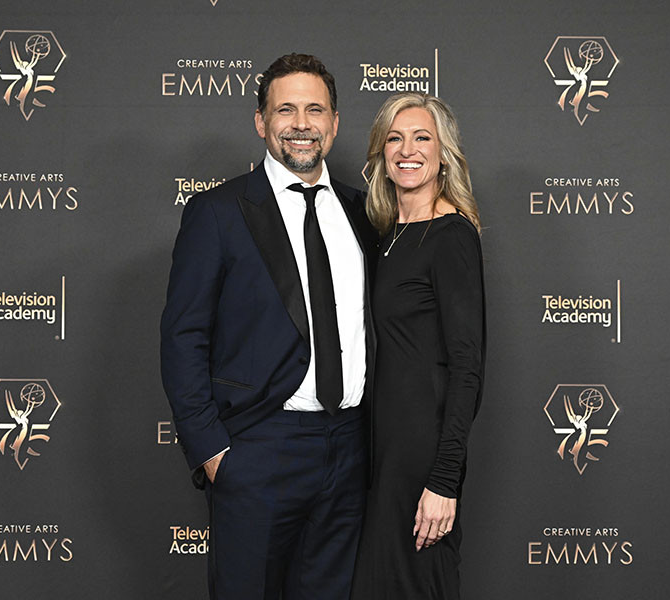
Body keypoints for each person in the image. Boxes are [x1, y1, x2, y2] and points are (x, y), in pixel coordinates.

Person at [160, 53, 377, 600]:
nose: (301, 123)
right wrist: (214, 453)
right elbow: (183, 337)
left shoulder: (365, 213)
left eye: (315, 110)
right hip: (258, 446)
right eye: (285, 110)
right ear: (261, 122)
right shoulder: (218, 211)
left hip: (350, 448)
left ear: (334, 123)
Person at [350, 93, 485, 600]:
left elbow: (468, 365)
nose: (408, 150)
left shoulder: (452, 235)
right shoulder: (386, 233)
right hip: (380, 450)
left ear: (443, 153)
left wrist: (445, 479)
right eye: (395, 138)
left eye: (422, 138)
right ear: (381, 152)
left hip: (422, 454)